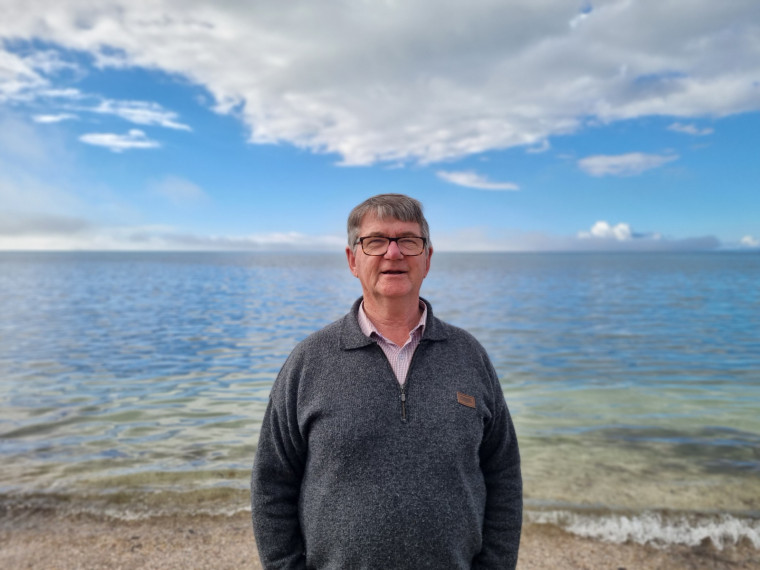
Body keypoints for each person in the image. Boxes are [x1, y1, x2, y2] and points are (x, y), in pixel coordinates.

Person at [251, 193, 522, 569]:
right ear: (352, 260)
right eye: (375, 241)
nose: (393, 254)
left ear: (427, 259)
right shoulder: (308, 361)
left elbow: (503, 474)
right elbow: (271, 484)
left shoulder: (469, 355)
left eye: (408, 241)